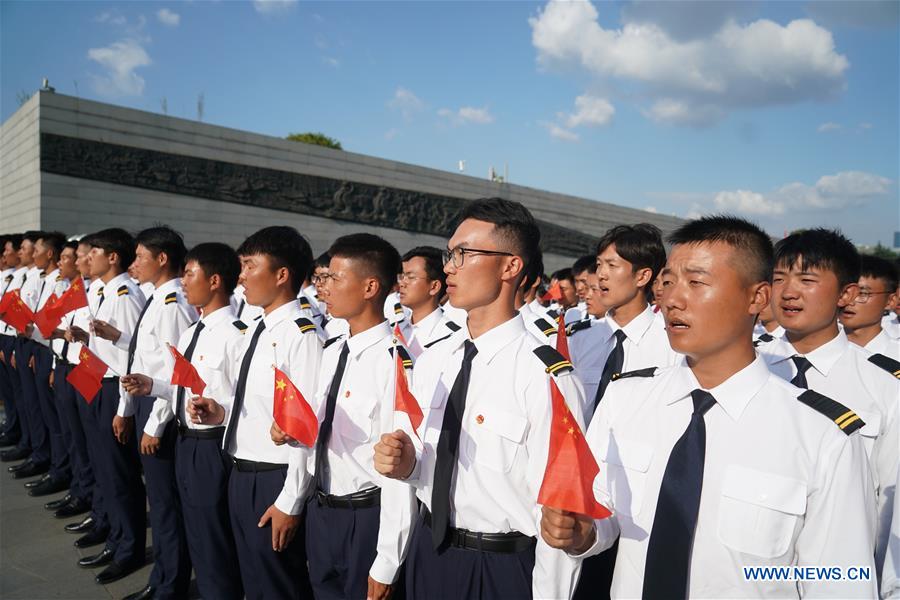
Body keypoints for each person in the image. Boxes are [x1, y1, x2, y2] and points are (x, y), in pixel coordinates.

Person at [545, 215, 878, 598]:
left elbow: (838, 581)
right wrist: (582, 531)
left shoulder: (823, 436)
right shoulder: (626, 400)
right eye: (668, 282)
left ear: (757, 297)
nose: (672, 299)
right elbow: (604, 511)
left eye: (697, 282)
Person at [374, 197, 587, 599]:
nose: (449, 266)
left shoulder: (545, 375)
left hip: (500, 567)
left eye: (463, 254)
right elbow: (429, 469)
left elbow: (559, 509)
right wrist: (407, 466)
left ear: (510, 266)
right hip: (430, 551)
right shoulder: (436, 359)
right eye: (448, 254)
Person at [759, 228, 899, 581]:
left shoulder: (883, 387)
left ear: (846, 294)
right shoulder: (749, 367)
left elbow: (891, 505)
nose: (788, 292)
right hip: (748, 571)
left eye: (807, 279)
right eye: (779, 278)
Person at [189, 226, 321, 600]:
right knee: (253, 579)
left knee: (278, 584)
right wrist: (220, 411)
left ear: (282, 275)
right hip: (241, 470)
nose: (241, 275)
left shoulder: (301, 335)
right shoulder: (255, 329)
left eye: (249, 265)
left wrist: (291, 500)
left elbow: (305, 427)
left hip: (275, 478)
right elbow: (253, 403)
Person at [122, 242, 245, 600]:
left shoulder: (235, 335)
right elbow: (181, 387)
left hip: (212, 446)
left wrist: (217, 409)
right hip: (186, 440)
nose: (184, 281)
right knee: (196, 535)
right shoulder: (194, 331)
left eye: (190, 274)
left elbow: (247, 399)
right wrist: (153, 385)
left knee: (215, 541)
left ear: (215, 281)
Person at [299, 233, 416, 599]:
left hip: (367, 517)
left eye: (334, 278)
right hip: (322, 509)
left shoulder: (397, 362)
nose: (324, 287)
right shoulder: (333, 350)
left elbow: (399, 472)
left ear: (369, 287)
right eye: (323, 278)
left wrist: (387, 560)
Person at [110, 226, 196, 600]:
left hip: (162, 409)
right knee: (160, 504)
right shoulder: (157, 298)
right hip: (147, 401)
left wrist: (155, 425)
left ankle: (170, 586)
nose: (134, 264)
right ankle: (162, 579)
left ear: (162, 259)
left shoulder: (173, 303)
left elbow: (176, 372)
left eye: (140, 256)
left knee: (166, 506)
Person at [69, 228, 148, 585]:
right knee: (103, 466)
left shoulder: (124, 293)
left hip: (115, 389)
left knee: (119, 475)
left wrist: (124, 408)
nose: (87, 258)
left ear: (112, 256)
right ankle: (114, 536)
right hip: (94, 380)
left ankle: (128, 547)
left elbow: (134, 357)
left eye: (94, 252)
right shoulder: (104, 292)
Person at [48, 239, 94, 519]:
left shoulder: (94, 293)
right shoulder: (73, 291)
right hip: (66, 365)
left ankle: (88, 495)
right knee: (72, 434)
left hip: (87, 371)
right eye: (71, 257)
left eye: (78, 257)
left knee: (86, 439)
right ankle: (79, 490)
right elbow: (61, 331)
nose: (74, 262)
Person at [25, 231, 72, 497]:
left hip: (56, 353)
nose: (32, 256)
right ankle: (54, 466)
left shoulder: (62, 285)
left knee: (58, 422)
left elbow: (55, 325)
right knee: (43, 412)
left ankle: (60, 470)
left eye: (36, 250)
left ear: (49, 253)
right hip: (44, 349)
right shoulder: (46, 280)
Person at [395, 246, 459, 357]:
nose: (402, 283)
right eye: (402, 276)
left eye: (411, 277)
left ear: (434, 286)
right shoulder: (395, 328)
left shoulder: (452, 336)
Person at [840, 254, 900, 360]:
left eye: (862, 293)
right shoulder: (812, 350)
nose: (849, 301)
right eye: (845, 291)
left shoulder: (896, 357)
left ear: (890, 301)